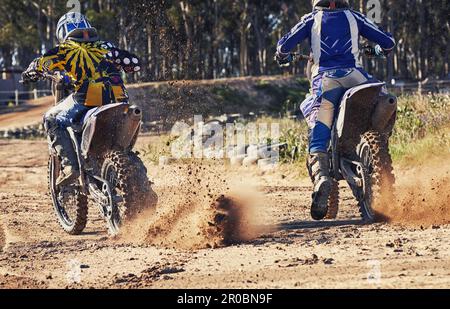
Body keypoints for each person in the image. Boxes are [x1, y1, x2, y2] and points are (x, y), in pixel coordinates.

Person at [275, 0, 395, 220]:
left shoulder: (311, 19)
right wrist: (374, 50)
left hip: (327, 79)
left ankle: (321, 176)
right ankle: (381, 144)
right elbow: (388, 43)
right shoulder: (356, 17)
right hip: (356, 77)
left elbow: (283, 47)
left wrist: (283, 57)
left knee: (319, 121)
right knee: (379, 98)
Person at [22, 12, 141, 186]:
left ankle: (71, 167)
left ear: (63, 32)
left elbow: (40, 64)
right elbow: (135, 64)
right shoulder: (106, 46)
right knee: (124, 149)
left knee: (52, 118)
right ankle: (141, 190)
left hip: (88, 100)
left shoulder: (64, 50)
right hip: (120, 101)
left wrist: (30, 72)